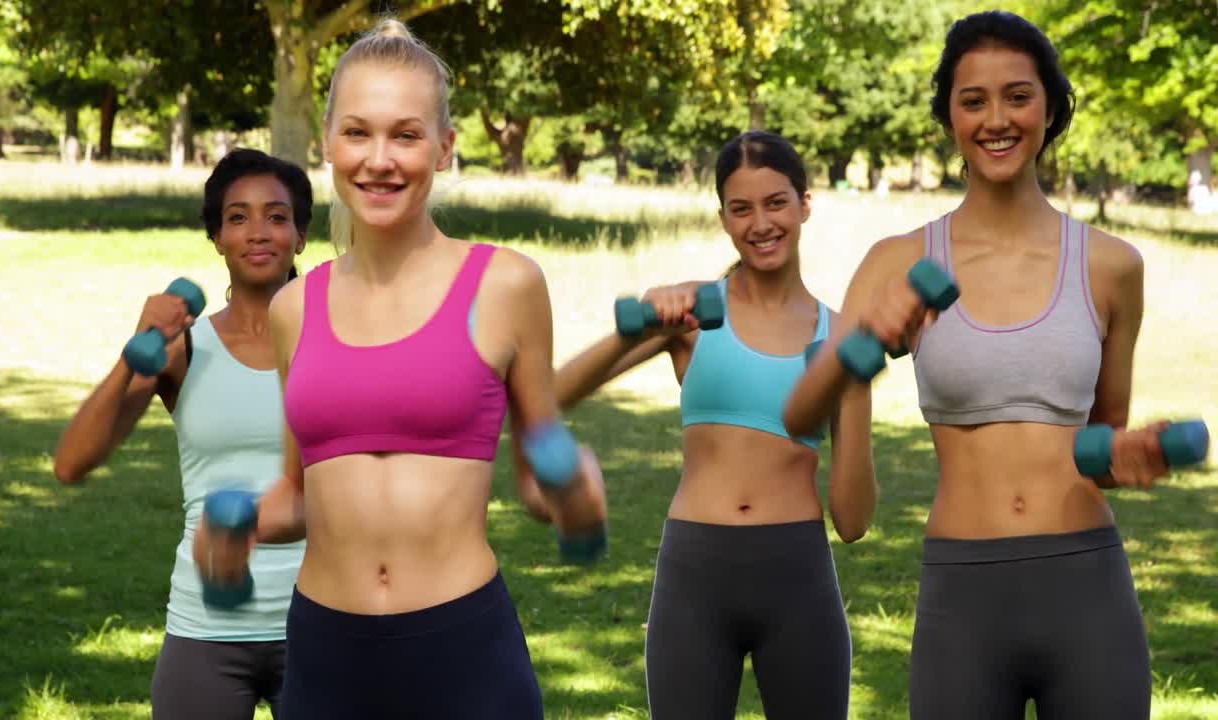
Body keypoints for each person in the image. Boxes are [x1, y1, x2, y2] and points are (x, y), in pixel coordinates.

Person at [193, 19, 608, 720]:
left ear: (444, 148)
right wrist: (237, 526)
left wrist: (576, 502)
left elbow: (537, 478)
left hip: (463, 651)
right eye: (357, 132)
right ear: (327, 142)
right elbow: (301, 494)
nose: (378, 159)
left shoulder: (505, 284)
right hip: (327, 654)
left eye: (406, 135)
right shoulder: (296, 306)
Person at [785, 11, 1169, 719]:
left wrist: (1132, 453)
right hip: (963, 598)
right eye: (974, 100)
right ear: (951, 119)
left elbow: (1099, 445)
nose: (997, 119)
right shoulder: (899, 261)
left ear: (1050, 108)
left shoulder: (1114, 266)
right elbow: (800, 414)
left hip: (1088, 591)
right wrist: (860, 338)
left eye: (1017, 96)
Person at [554, 130, 876, 719]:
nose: (761, 223)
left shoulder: (839, 337)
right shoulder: (693, 313)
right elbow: (552, 396)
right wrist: (636, 328)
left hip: (798, 577)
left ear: (806, 204)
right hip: (696, 576)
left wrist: (853, 386)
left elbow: (853, 522)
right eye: (741, 208)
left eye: (776, 202)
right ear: (723, 218)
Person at [53, 147, 312, 719]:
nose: (257, 232)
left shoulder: (335, 340)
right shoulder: (185, 348)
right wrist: (135, 351)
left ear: (299, 234)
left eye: (276, 215)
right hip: (205, 627)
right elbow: (71, 463)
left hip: (322, 620)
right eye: (237, 217)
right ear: (217, 238)